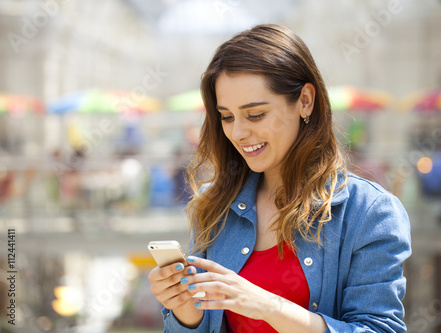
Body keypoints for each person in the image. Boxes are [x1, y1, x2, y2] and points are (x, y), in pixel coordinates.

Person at [148, 24, 411, 333]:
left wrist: (268, 306)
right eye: (227, 116)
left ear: (305, 101)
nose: (238, 132)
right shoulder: (214, 204)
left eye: (255, 114)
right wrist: (184, 311)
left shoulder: (369, 212)